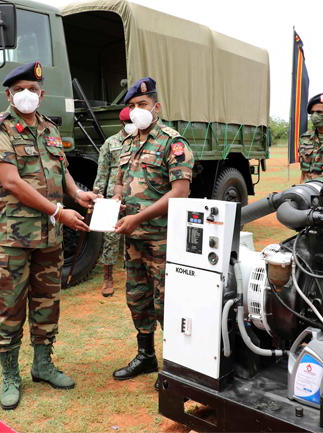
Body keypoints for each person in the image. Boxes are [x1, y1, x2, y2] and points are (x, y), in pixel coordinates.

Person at [0, 61, 98, 410]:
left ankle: (42, 365)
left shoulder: (48, 128)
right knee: (10, 307)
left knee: (47, 302)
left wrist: (77, 195)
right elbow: (11, 182)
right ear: (8, 94)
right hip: (10, 237)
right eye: (19, 90)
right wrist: (59, 211)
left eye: (32, 89)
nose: (26, 95)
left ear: (42, 94)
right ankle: (10, 374)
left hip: (48, 237)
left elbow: (60, 170)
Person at [111, 77, 194, 389]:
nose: (136, 111)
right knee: (138, 299)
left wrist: (138, 217)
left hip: (163, 240)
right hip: (132, 239)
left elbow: (180, 192)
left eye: (142, 105)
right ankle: (146, 356)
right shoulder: (129, 142)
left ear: (156, 107)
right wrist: (117, 203)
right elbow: (120, 183)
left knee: (167, 304)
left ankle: (175, 368)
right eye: (132, 106)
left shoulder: (173, 143)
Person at [92, 107, 134, 297]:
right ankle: (107, 278)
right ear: (122, 123)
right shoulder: (110, 143)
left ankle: (133, 276)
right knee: (111, 237)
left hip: (135, 196)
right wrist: (97, 194)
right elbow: (102, 172)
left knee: (135, 236)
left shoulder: (142, 141)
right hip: (112, 197)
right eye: (128, 123)